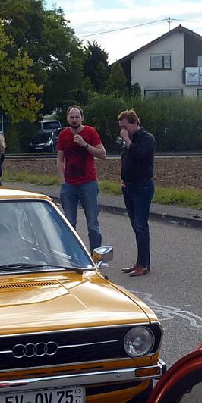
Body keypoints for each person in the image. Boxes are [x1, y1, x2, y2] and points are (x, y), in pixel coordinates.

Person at [56, 106, 106, 249]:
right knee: (69, 223)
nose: (74, 120)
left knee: (92, 224)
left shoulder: (90, 132)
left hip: (88, 183)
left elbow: (103, 154)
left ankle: (96, 256)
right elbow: (60, 159)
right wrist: (63, 180)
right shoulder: (63, 135)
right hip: (69, 184)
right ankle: (72, 255)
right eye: (72, 117)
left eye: (77, 117)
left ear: (82, 118)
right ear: (67, 119)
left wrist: (85, 145)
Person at [118, 109, 156, 277]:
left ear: (135, 123)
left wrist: (127, 140)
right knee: (135, 225)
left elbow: (139, 156)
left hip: (142, 187)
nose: (122, 131)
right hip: (129, 187)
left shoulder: (147, 138)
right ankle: (139, 262)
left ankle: (144, 264)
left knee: (141, 226)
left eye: (125, 127)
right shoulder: (130, 141)